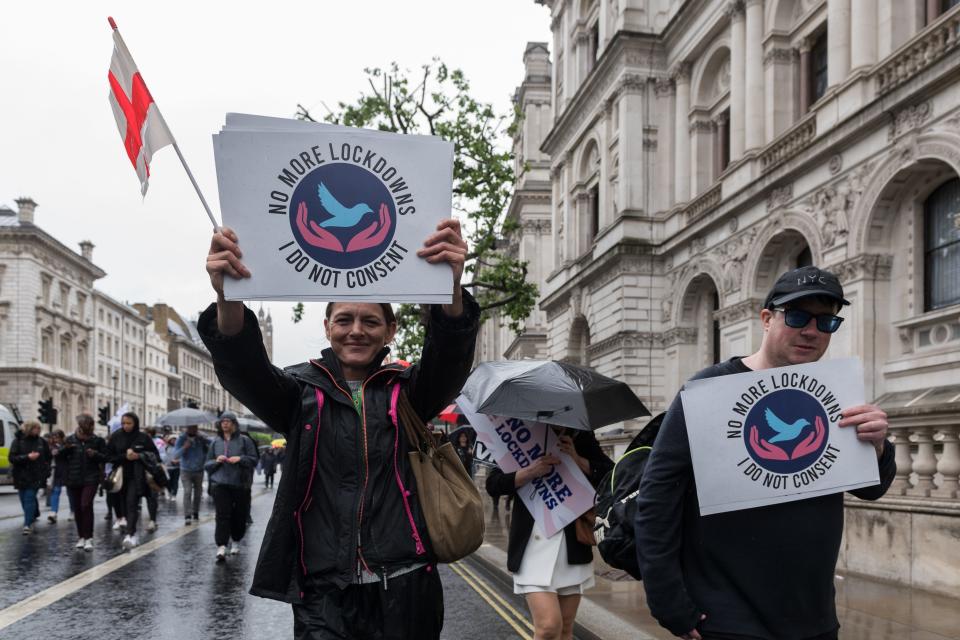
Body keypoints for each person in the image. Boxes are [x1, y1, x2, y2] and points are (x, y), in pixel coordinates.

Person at [198, 219, 478, 639]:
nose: (356, 331)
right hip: (323, 594)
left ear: (390, 330)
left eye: (370, 321)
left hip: (405, 588)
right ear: (327, 327)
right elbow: (245, 370)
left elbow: (450, 359)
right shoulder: (299, 393)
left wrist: (451, 290)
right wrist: (228, 296)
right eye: (344, 319)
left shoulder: (409, 392)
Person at [635, 266, 897, 640]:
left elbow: (872, 489)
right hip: (728, 620)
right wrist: (668, 601)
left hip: (815, 620)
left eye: (826, 322)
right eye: (796, 316)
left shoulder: (835, 393)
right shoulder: (709, 388)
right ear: (766, 318)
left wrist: (878, 444)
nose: (811, 331)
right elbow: (657, 496)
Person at [486, 429, 612, 640]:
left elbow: (613, 474)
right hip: (532, 548)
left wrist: (577, 460)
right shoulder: (520, 434)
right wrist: (529, 472)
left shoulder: (579, 436)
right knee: (548, 627)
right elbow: (493, 484)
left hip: (571, 548)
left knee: (565, 630)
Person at [205, 412, 258, 561]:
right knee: (222, 514)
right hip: (220, 484)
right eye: (223, 422)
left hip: (240, 484)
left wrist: (240, 459)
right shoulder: (215, 442)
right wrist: (216, 461)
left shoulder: (245, 441)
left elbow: (254, 460)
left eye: (228, 421)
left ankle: (235, 540)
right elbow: (207, 464)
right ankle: (221, 546)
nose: (225, 424)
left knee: (239, 515)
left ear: (234, 424)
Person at [107, 412, 160, 550]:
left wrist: (139, 456)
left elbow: (155, 455)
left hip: (137, 476)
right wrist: (125, 456)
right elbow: (109, 456)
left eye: (129, 423)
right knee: (121, 504)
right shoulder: (116, 436)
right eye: (123, 423)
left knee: (132, 503)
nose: (126, 426)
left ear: (135, 423)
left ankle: (131, 534)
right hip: (119, 476)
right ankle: (127, 528)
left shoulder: (143, 437)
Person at [59, 414, 108, 550]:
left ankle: (89, 538)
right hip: (72, 478)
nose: (87, 429)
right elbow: (59, 457)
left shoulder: (97, 441)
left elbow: (106, 457)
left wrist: (95, 454)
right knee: (77, 508)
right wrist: (65, 449)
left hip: (91, 478)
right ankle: (81, 536)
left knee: (86, 505)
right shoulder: (70, 440)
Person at [10, 420, 51, 535]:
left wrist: (46, 470)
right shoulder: (18, 441)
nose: (38, 431)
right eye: (35, 428)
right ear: (29, 429)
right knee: (23, 499)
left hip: (36, 475)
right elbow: (12, 458)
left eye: (39, 428)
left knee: (29, 497)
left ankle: (27, 524)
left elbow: (48, 457)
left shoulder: (41, 442)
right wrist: (27, 457)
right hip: (21, 475)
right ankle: (31, 516)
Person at [172, 423, 209, 525]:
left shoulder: (201, 437)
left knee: (198, 493)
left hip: (199, 469)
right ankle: (187, 515)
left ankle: (195, 512)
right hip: (186, 470)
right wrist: (184, 447)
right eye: (191, 427)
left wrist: (203, 439)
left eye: (195, 427)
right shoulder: (181, 438)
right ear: (187, 428)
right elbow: (175, 455)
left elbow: (212, 444)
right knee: (187, 492)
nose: (193, 429)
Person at [46, 429, 67, 523]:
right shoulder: (50, 447)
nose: (55, 439)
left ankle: (73, 511)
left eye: (57, 437)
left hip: (67, 470)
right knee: (55, 490)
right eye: (53, 437)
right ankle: (53, 512)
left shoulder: (66, 446)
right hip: (56, 471)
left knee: (71, 492)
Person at [163, 434, 180, 502]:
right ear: (169, 440)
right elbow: (164, 456)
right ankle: (170, 492)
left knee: (175, 482)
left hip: (176, 467)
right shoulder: (166, 447)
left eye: (175, 440)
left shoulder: (179, 448)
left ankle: (174, 495)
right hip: (168, 467)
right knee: (168, 482)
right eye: (172, 440)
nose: (174, 441)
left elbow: (183, 457)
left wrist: (178, 461)